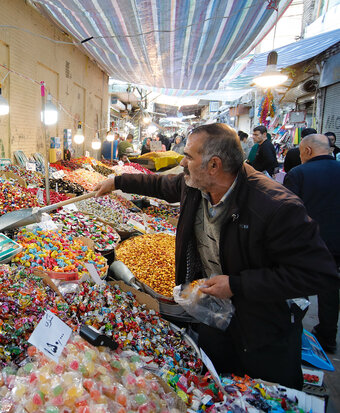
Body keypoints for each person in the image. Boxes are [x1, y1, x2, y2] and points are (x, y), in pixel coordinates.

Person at [94, 123, 339, 389]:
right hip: (214, 318)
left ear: (214, 165)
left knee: (262, 396)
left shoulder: (275, 206)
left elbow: (318, 274)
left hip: (263, 330)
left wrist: (236, 285)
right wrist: (117, 181)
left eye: (188, 156)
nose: (182, 163)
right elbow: (163, 184)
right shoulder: (196, 185)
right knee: (215, 389)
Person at [284, 134, 340, 354]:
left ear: (306, 151)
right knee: (330, 286)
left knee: (300, 286)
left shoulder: (298, 173)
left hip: (307, 240)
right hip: (336, 241)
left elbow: (287, 211)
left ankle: (293, 329)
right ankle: (328, 336)